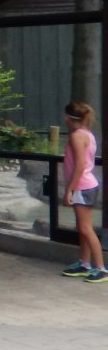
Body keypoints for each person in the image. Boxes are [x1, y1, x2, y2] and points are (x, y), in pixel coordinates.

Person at [59, 101, 106, 282]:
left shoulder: (77, 136)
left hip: (82, 186)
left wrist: (69, 189)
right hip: (88, 184)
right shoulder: (87, 134)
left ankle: (101, 268)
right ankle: (84, 264)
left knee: (86, 228)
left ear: (68, 118)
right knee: (82, 228)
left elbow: (79, 165)